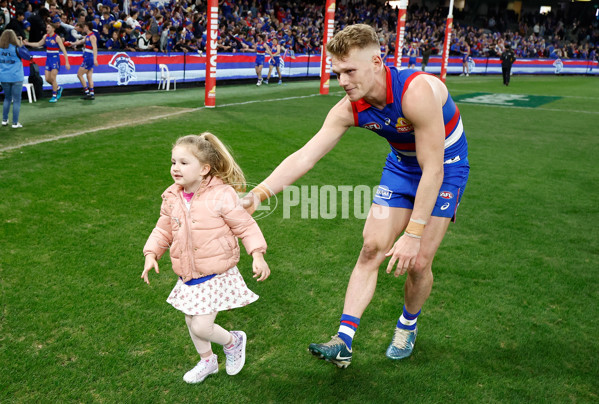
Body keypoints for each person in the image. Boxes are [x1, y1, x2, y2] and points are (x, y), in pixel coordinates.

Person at [243, 24, 469, 368]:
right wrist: (259, 194)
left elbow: (433, 170)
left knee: (419, 262)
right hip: (401, 167)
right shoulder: (350, 107)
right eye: (337, 73)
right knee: (370, 247)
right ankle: (343, 341)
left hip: (445, 166)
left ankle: (407, 324)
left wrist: (413, 232)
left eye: (350, 71)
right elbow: (306, 155)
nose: (343, 81)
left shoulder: (415, 91)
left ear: (377, 62)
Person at [142, 133, 271, 384]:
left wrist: (257, 254)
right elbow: (163, 229)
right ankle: (208, 361)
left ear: (204, 169)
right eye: (173, 162)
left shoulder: (221, 195)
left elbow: (245, 226)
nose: (175, 168)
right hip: (189, 272)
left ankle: (234, 342)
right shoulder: (172, 196)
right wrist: (151, 253)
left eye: (183, 163)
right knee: (191, 321)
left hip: (215, 273)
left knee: (202, 326)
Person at [24, 22, 70, 103]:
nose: (46, 29)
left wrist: (67, 62)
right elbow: (38, 44)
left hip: (55, 59)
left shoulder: (57, 38)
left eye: (48, 27)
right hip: (48, 59)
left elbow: (63, 50)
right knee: (47, 79)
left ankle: (54, 96)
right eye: (46, 27)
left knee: (53, 78)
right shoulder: (46, 37)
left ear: (53, 29)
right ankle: (58, 88)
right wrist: (27, 43)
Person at [0, 29, 27, 128]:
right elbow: (28, 56)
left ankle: (4, 120)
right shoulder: (17, 48)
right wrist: (22, 44)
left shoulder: (0, 49)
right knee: (16, 100)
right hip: (16, 77)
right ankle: (15, 122)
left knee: (7, 98)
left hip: (3, 77)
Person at [70, 22, 98, 100]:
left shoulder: (92, 36)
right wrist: (72, 43)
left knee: (79, 74)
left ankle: (86, 91)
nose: (84, 28)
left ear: (88, 27)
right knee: (89, 75)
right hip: (88, 57)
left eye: (85, 26)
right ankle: (91, 93)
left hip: (89, 57)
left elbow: (95, 48)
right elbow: (80, 41)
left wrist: (95, 59)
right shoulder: (88, 36)